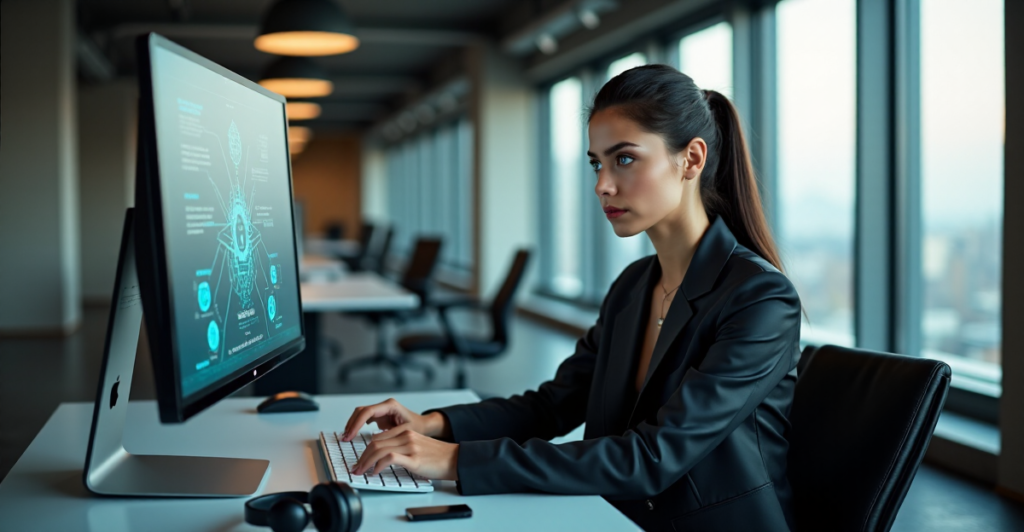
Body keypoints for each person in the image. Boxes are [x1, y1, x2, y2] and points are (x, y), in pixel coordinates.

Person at [341, 64, 801, 532]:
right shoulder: (633, 286)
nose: (602, 184)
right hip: (611, 512)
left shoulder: (760, 299)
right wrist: (433, 425)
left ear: (691, 159)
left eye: (624, 159)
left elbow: (653, 456)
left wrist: (456, 460)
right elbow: (552, 405)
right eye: (596, 163)